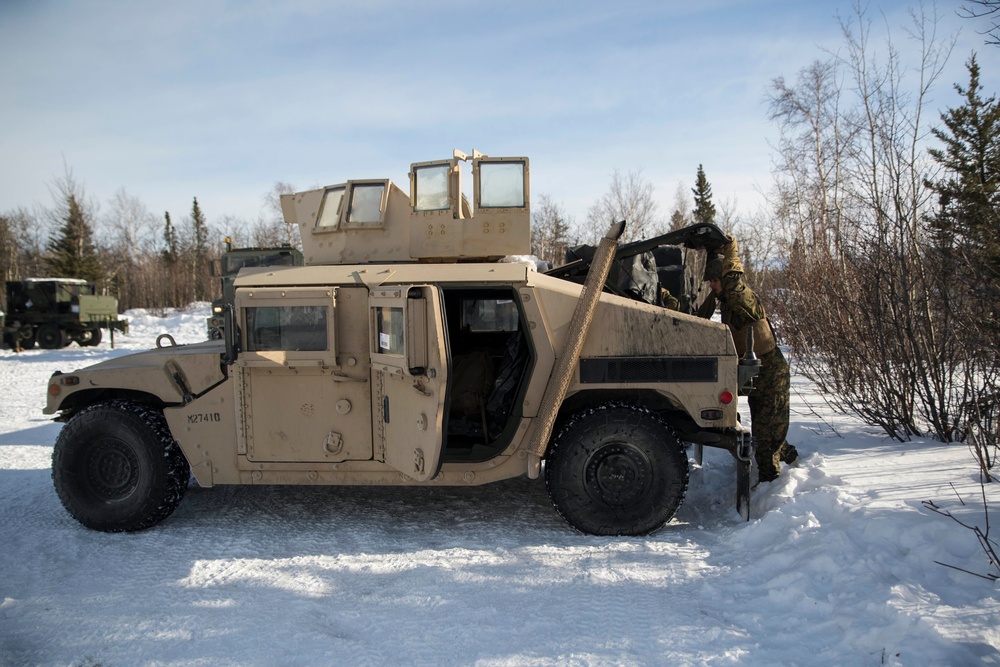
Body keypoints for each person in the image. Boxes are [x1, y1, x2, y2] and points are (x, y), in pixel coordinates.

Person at [700, 236, 797, 482]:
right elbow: (700, 313)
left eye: (714, 280)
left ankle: (771, 484)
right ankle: (791, 457)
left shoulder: (743, 298)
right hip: (757, 377)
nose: (712, 285)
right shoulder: (727, 303)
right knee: (767, 430)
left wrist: (731, 253)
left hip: (771, 376)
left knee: (766, 443)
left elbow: (733, 282)